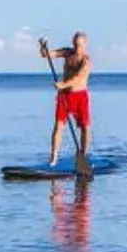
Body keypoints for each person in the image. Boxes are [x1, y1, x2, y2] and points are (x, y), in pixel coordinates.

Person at [39, 31, 92, 170]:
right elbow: (47, 55)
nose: (76, 48)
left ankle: (82, 157)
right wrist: (43, 47)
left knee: (85, 128)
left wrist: (62, 84)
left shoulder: (86, 62)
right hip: (65, 96)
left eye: (79, 45)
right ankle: (53, 158)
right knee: (58, 126)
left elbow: (79, 78)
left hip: (80, 96)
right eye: (75, 44)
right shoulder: (68, 53)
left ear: (85, 45)